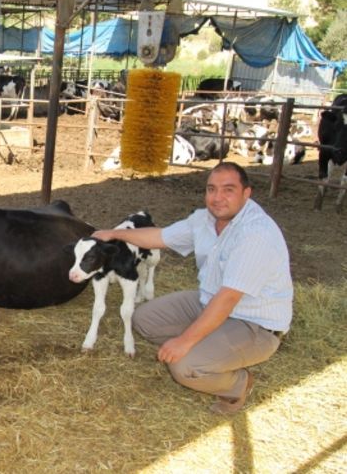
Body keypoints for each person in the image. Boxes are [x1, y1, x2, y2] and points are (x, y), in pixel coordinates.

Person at [92, 162, 292, 415]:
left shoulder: (255, 234)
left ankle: (239, 384)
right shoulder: (204, 220)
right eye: (211, 189)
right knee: (143, 320)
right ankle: (210, 344)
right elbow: (159, 237)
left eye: (228, 190)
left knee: (185, 366)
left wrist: (185, 342)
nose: (217, 198)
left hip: (254, 323)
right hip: (209, 302)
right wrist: (114, 234)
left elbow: (229, 298)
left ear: (246, 193)